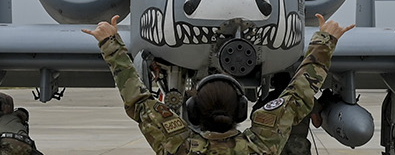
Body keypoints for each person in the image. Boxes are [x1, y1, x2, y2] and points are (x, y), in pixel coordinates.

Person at [84, 14, 353, 154]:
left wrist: (111, 43)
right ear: (240, 111)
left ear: (192, 111)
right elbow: (299, 94)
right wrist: (325, 41)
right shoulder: (261, 145)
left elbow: (137, 99)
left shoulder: (178, 147)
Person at [0, 89, 40, 155]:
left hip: (4, 143)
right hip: (24, 144)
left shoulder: (8, 114)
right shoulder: (23, 126)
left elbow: (8, 99)